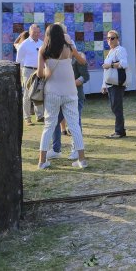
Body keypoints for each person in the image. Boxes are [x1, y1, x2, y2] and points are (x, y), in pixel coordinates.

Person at [37, 23, 87, 169]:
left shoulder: (43, 50)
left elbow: (40, 74)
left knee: (49, 126)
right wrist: (71, 45)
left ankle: (42, 161)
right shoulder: (69, 47)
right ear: (62, 34)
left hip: (52, 91)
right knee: (74, 125)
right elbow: (82, 62)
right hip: (70, 91)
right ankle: (82, 160)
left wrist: (48, 71)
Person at [47, 50, 90, 160]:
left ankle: (76, 150)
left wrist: (70, 84)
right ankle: (56, 150)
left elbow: (85, 76)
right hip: (60, 96)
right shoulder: (59, 57)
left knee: (75, 123)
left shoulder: (78, 56)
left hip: (75, 96)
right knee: (56, 121)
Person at [101, 30, 129, 138]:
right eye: (108, 38)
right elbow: (106, 71)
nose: (109, 40)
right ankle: (119, 130)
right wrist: (104, 85)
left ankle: (119, 131)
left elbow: (124, 63)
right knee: (114, 107)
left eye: (112, 38)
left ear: (117, 39)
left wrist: (111, 65)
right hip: (111, 83)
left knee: (116, 107)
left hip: (117, 83)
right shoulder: (111, 51)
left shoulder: (120, 50)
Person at [16, 24, 44, 125]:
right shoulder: (24, 44)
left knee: (39, 92)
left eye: (38, 32)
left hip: (39, 71)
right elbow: (18, 60)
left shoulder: (42, 43)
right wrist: (21, 72)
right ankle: (27, 118)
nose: (36, 34)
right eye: (34, 32)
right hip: (27, 70)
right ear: (30, 32)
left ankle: (40, 116)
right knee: (27, 94)